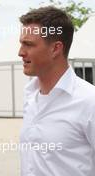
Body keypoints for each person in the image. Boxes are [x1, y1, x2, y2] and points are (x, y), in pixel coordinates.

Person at [18, 6, 95, 176]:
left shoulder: (90, 101)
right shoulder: (30, 96)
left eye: (28, 44)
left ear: (55, 48)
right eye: (21, 43)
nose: (20, 52)